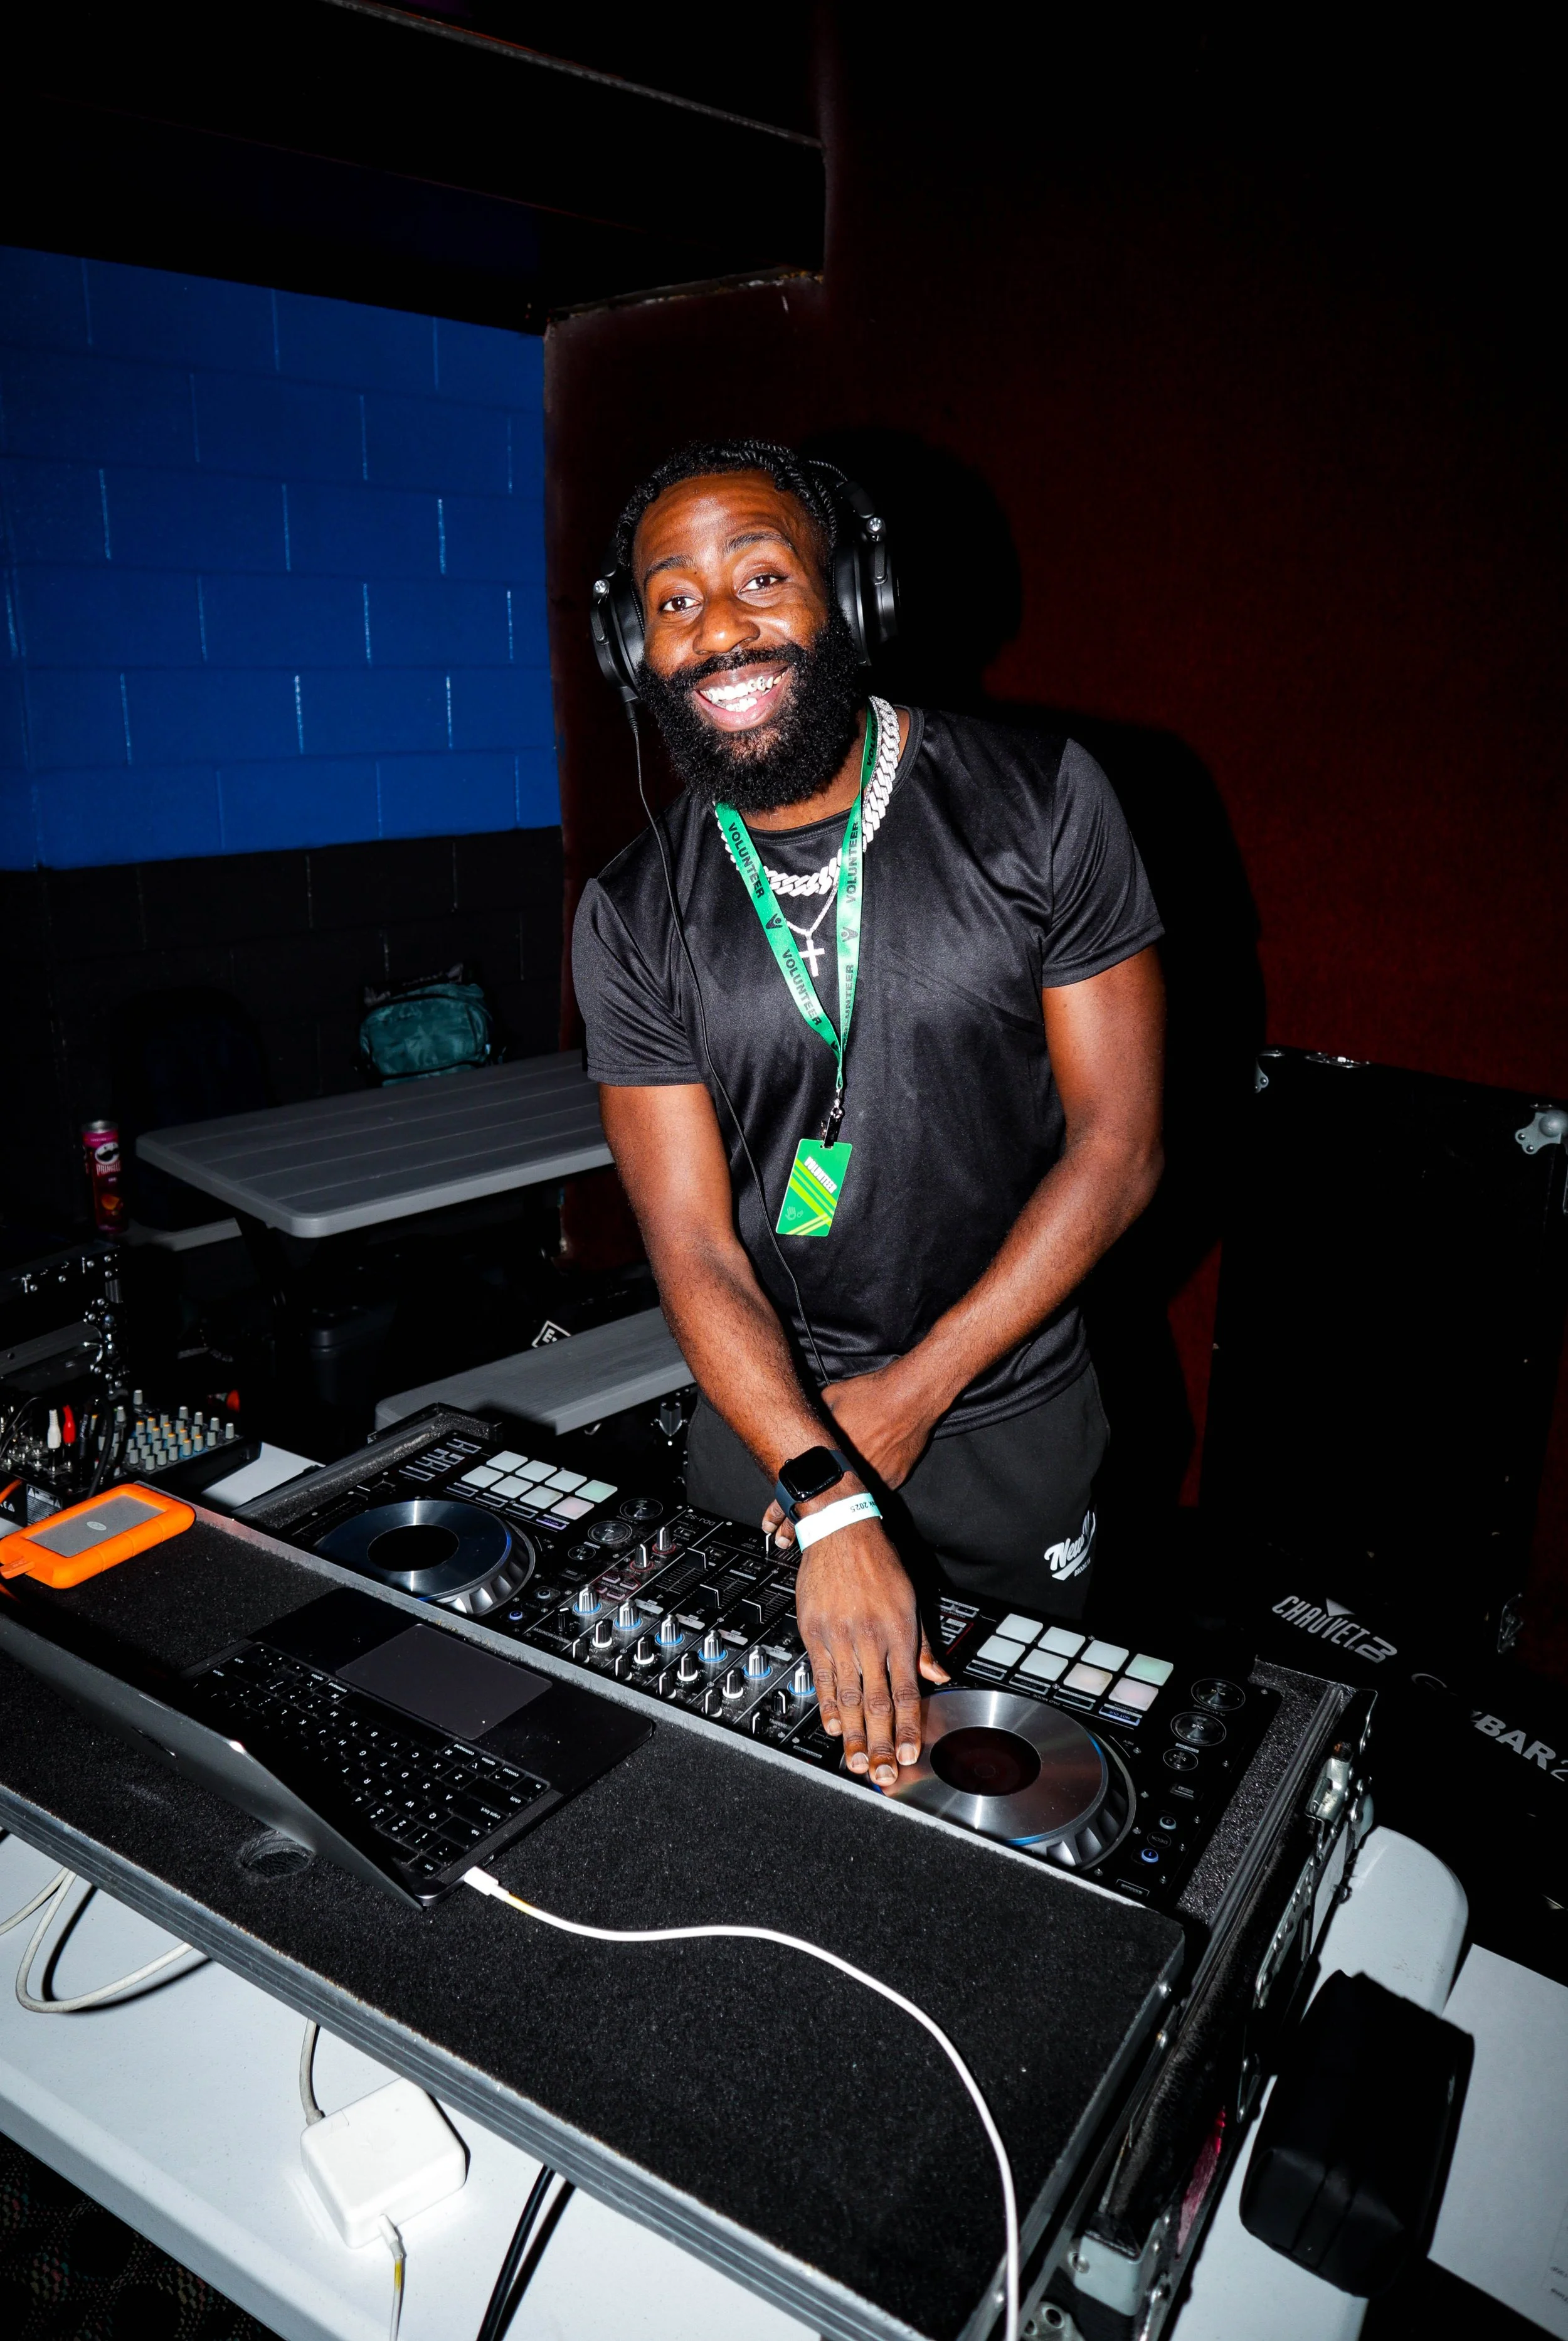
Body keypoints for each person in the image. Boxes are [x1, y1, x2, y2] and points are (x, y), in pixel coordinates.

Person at [573, 438, 1165, 1792]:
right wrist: (825, 1486)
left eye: (760, 577)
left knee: (1015, 1784)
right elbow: (689, 1243)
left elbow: (1119, 1150)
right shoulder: (630, 911)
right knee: (780, 1785)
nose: (718, 628)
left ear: (852, 594)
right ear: (633, 649)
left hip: (1007, 1417)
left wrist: (914, 1392)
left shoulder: (1039, 803)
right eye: (672, 601)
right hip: (770, 1435)